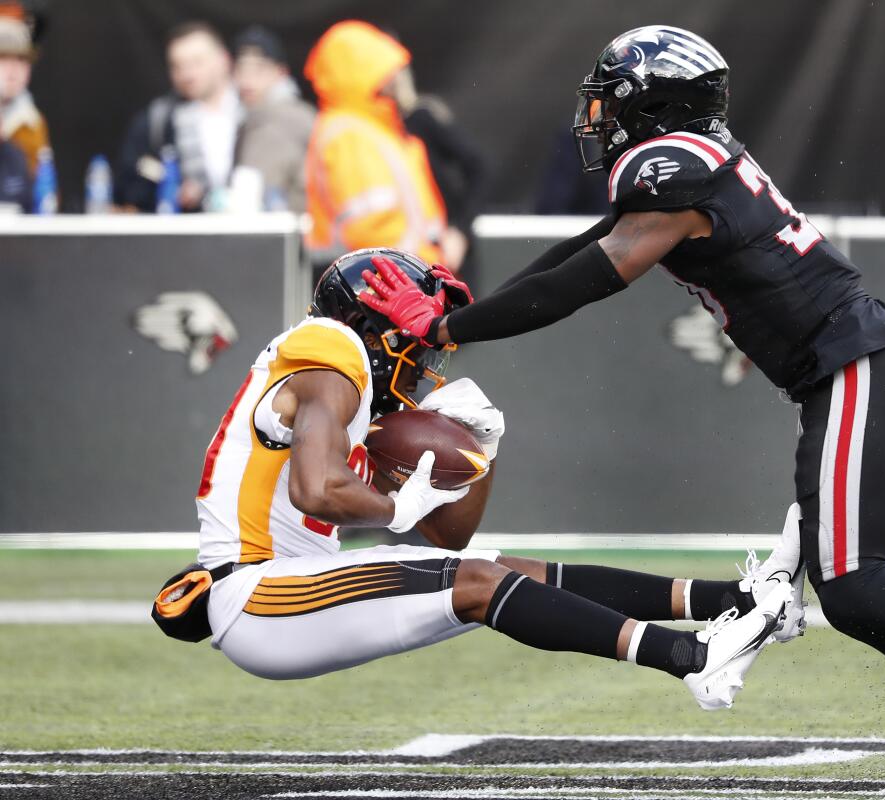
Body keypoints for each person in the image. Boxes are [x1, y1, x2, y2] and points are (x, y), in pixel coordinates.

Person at [358, 26, 885, 791]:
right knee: (854, 598)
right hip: (846, 365)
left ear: (652, 103)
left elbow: (588, 278)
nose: (598, 116)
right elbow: (586, 246)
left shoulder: (669, 170)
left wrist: (447, 327)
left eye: (612, 98)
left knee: (859, 580)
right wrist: (468, 307)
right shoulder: (690, 164)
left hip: (854, 359)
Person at [152, 247, 794, 710]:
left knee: (500, 568)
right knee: (484, 583)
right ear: (374, 329)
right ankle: (694, 659)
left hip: (287, 590)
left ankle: (736, 600)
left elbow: (451, 536)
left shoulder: (362, 408)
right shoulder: (329, 349)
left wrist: (477, 455)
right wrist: (395, 507)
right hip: (257, 594)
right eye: (416, 335)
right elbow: (315, 491)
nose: (428, 353)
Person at [304, 21, 447, 266]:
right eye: (382, 68)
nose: (393, 77)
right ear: (356, 72)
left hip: (401, 279)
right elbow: (368, 228)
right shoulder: (348, 134)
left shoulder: (374, 126)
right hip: (382, 283)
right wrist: (420, 266)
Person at [115, 22, 241, 212]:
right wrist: (172, 188)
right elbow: (133, 175)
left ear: (224, 60)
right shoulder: (159, 119)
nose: (187, 74)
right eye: (177, 66)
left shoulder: (254, 112)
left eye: (197, 62)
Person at [393, 63, 491, 277]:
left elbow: (477, 165)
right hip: (403, 256)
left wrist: (459, 230)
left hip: (441, 254)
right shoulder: (368, 133)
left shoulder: (419, 120)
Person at [230, 26, 315, 213]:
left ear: (281, 73)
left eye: (259, 69)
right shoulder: (257, 115)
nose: (247, 80)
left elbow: (251, 200)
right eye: (241, 69)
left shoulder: (281, 118)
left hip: (294, 231)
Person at [0, 14, 48, 177]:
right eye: (3, 58)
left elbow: (44, 193)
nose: (13, 70)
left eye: (21, 59)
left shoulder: (34, 123)